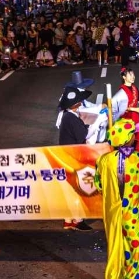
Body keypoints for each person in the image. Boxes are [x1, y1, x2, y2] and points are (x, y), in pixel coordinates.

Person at [95, 118, 139, 279]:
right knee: (134, 254)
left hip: (113, 214)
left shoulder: (104, 161)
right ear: (130, 138)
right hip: (133, 216)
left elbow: (99, 185)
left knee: (114, 252)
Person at [57, 72, 95, 232]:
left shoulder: (67, 116)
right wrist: (88, 127)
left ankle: (68, 220)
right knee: (78, 189)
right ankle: (77, 220)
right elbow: (82, 135)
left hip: (66, 155)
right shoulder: (71, 118)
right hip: (74, 157)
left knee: (70, 189)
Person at [113, 67, 139, 152]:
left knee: (136, 138)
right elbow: (120, 107)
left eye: (133, 74)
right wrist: (135, 109)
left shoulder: (135, 88)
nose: (133, 76)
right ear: (124, 77)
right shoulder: (122, 91)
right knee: (127, 139)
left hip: (136, 118)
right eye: (130, 75)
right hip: (125, 118)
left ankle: (136, 157)